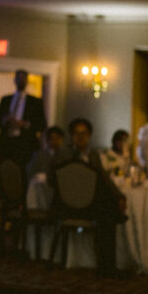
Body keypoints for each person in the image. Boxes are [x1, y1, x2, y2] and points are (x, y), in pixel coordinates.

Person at [53, 118, 128, 277]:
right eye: (76, 133)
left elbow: (105, 178)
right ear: (71, 136)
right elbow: (50, 178)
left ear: (89, 136)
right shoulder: (64, 153)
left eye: (84, 133)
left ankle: (108, 267)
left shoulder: (93, 155)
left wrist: (119, 196)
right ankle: (107, 266)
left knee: (106, 212)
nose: (80, 137)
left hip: (89, 205)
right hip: (67, 204)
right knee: (107, 213)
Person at [0, 69, 47, 175]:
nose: (20, 81)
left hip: (25, 145)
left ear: (27, 81)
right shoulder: (6, 100)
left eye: (23, 78)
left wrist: (24, 124)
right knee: (5, 173)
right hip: (7, 143)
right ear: (14, 80)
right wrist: (4, 120)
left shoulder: (35, 102)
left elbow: (42, 124)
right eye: (18, 78)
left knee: (23, 174)